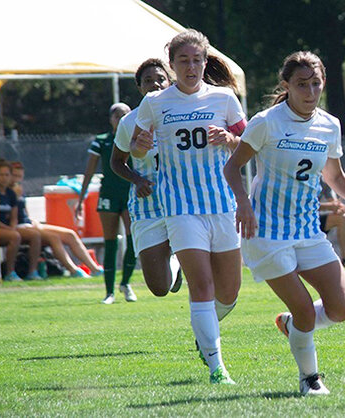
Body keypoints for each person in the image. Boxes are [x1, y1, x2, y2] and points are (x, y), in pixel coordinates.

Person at [223, 51, 345, 396]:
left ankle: (292, 327)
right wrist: (243, 204)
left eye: (316, 83)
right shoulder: (267, 121)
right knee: (303, 309)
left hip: (307, 231)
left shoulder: (329, 125)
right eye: (302, 84)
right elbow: (232, 167)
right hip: (266, 233)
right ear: (286, 85)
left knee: (342, 308)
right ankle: (310, 378)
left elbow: (335, 175)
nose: (310, 91)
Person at [130, 30, 247, 385]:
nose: (191, 66)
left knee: (229, 292)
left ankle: (204, 335)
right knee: (203, 286)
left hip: (222, 204)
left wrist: (229, 139)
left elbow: (246, 144)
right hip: (180, 208)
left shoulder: (225, 99)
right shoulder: (155, 103)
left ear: (205, 61)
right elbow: (135, 149)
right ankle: (217, 367)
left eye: (197, 60)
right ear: (173, 64)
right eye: (184, 60)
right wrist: (141, 144)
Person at [110, 58, 182, 297]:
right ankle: (175, 262)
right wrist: (137, 180)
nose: (155, 84)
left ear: (170, 82)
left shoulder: (183, 115)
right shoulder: (129, 122)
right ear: (140, 88)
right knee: (160, 288)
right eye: (148, 80)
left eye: (160, 79)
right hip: (147, 206)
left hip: (183, 203)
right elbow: (116, 162)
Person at [76, 102, 138, 304]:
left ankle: (126, 283)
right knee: (110, 242)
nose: (121, 119)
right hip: (109, 195)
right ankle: (109, 292)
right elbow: (89, 171)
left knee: (133, 240)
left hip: (130, 194)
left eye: (125, 115)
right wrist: (80, 200)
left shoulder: (136, 139)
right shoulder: (102, 141)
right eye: (117, 116)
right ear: (110, 119)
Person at [10, 161, 103, 278]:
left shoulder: (19, 189)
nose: (17, 179)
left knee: (70, 234)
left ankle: (94, 268)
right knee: (53, 238)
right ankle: (74, 270)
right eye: (15, 176)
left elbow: (24, 212)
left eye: (20, 176)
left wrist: (33, 221)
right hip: (18, 228)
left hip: (28, 224)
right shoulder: (8, 192)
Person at [0, 161, 41, 281]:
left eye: (7, 175)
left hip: (7, 229)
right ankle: (10, 272)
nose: (4, 178)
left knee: (35, 235)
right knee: (14, 236)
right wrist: (9, 229)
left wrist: (12, 227)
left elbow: (14, 217)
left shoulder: (11, 193)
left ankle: (33, 272)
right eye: (1, 175)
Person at [318, 181, 345, 267]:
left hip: (315, 222)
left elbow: (334, 203)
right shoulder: (303, 177)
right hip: (297, 222)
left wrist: (338, 207)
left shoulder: (323, 180)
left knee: (342, 218)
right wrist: (329, 206)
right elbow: (302, 205)